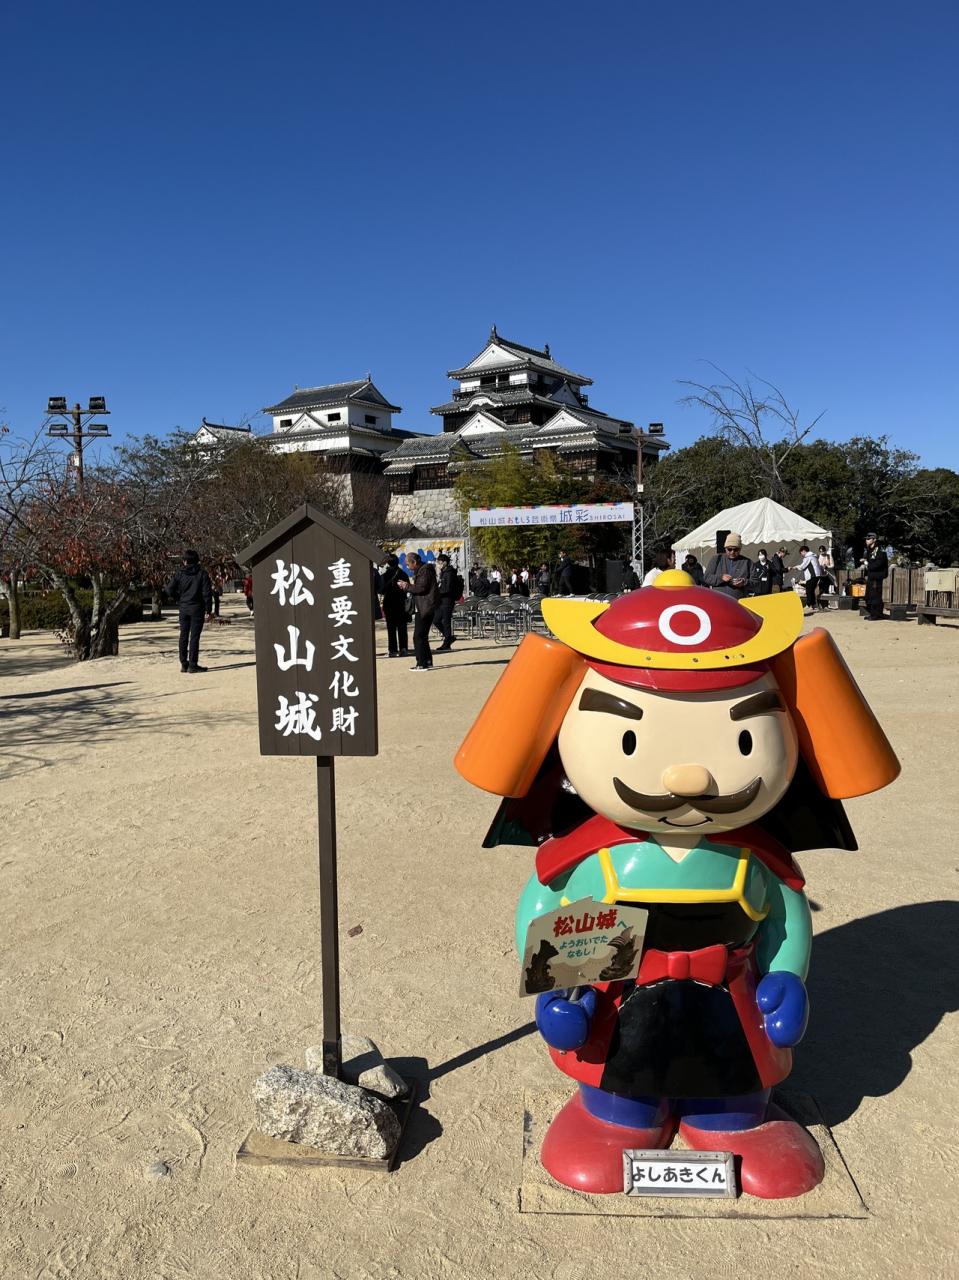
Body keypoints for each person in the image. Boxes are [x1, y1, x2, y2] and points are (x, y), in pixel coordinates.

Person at [166, 549, 213, 673]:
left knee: (183, 635)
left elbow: (169, 589)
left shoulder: (179, 574)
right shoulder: (202, 574)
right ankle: (193, 664)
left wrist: (178, 598)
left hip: (184, 607)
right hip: (197, 608)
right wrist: (209, 610)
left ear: (185, 561)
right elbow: (207, 593)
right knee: (194, 637)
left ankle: (184, 663)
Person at [399, 552, 438, 670]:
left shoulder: (424, 571)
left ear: (414, 562)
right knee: (423, 636)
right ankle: (427, 660)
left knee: (418, 636)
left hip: (425, 607)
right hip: (423, 606)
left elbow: (421, 588)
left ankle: (421, 663)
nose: (407, 567)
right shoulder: (423, 570)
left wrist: (407, 586)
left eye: (408, 564)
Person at [704, 532, 753, 600]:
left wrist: (744, 582)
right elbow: (707, 578)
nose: (732, 552)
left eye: (736, 549)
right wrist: (721, 578)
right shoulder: (716, 559)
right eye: (729, 549)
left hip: (737, 602)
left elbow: (756, 582)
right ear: (725, 548)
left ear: (740, 549)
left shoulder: (747, 562)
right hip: (718, 600)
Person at [379, 554, 409, 657]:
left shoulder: (385, 575)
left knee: (391, 628)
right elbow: (407, 588)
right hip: (401, 603)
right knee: (402, 627)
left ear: (388, 563)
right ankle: (403, 648)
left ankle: (392, 650)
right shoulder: (403, 574)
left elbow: (381, 590)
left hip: (389, 603)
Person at [434, 553, 458, 652]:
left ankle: (447, 643)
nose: (438, 564)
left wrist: (438, 591)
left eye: (440, 562)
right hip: (441, 600)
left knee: (446, 622)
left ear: (445, 562)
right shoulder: (443, 572)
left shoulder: (449, 573)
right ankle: (449, 637)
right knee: (436, 620)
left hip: (447, 600)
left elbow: (447, 588)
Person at [861, 532, 889, 621]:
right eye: (866, 539)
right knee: (869, 595)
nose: (866, 540)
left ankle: (876, 615)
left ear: (874, 539)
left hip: (877, 576)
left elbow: (878, 564)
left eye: (869, 539)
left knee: (875, 595)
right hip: (871, 576)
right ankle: (874, 613)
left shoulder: (880, 550)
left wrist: (866, 563)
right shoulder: (869, 550)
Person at [793, 544, 823, 614]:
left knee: (809, 590)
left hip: (813, 576)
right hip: (817, 576)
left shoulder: (808, 557)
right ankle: (814, 605)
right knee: (811, 590)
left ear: (803, 551)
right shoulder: (814, 556)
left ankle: (808, 605)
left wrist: (795, 567)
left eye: (801, 553)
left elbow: (802, 566)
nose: (801, 555)